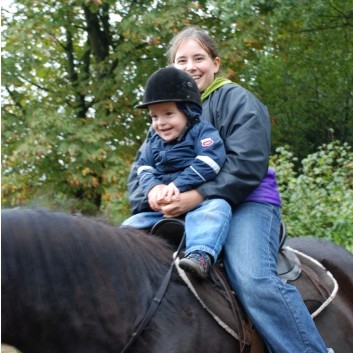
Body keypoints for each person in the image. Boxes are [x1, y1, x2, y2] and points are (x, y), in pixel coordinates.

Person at [127, 26, 333, 353]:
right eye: (182, 60)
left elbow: (248, 163)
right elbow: (141, 171)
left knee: (253, 281)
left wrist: (195, 196)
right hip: (181, 206)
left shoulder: (238, 101)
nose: (191, 66)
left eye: (199, 58)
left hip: (247, 201)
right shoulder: (164, 115)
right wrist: (151, 197)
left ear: (216, 63)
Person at [122, 66, 232, 278]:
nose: (160, 123)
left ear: (188, 112)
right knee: (130, 225)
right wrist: (153, 188)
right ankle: (119, 254)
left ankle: (201, 254)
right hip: (163, 205)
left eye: (168, 114)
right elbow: (144, 167)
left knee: (217, 208)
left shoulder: (202, 132)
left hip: (198, 201)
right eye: (154, 117)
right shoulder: (154, 141)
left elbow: (210, 161)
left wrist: (177, 186)